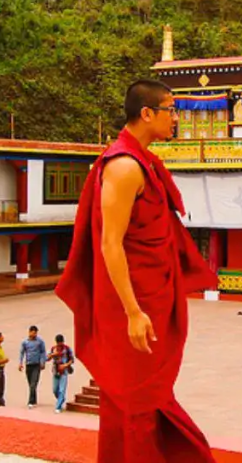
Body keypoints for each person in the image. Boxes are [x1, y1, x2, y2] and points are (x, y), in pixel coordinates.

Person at [55, 79, 218, 463]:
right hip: (132, 305)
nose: (176, 119)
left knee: (142, 399)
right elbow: (110, 243)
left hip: (151, 297)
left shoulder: (144, 161)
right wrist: (131, 311)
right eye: (171, 110)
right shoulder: (125, 166)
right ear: (147, 114)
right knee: (137, 399)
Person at [19, 325, 47, 409]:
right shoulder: (25, 342)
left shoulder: (40, 342)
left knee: (33, 383)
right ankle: (34, 398)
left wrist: (43, 362)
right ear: (29, 332)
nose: (34, 334)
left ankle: (30, 401)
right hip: (28, 364)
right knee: (30, 383)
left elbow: (43, 352)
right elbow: (22, 353)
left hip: (36, 365)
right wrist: (20, 363)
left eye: (36, 333)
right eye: (33, 333)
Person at [47, 334, 75, 413]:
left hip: (64, 371)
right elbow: (47, 358)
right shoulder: (53, 349)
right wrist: (52, 355)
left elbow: (72, 360)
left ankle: (58, 406)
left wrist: (65, 365)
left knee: (62, 389)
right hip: (55, 371)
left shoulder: (67, 349)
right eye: (58, 343)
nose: (60, 345)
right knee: (55, 389)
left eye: (61, 343)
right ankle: (61, 398)